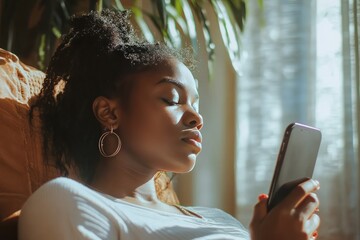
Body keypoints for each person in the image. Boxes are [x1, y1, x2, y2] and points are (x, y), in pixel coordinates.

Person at [18, 9, 320, 240]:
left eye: (196, 103)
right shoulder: (67, 202)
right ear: (109, 113)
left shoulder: (222, 220)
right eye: (172, 99)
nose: (196, 117)